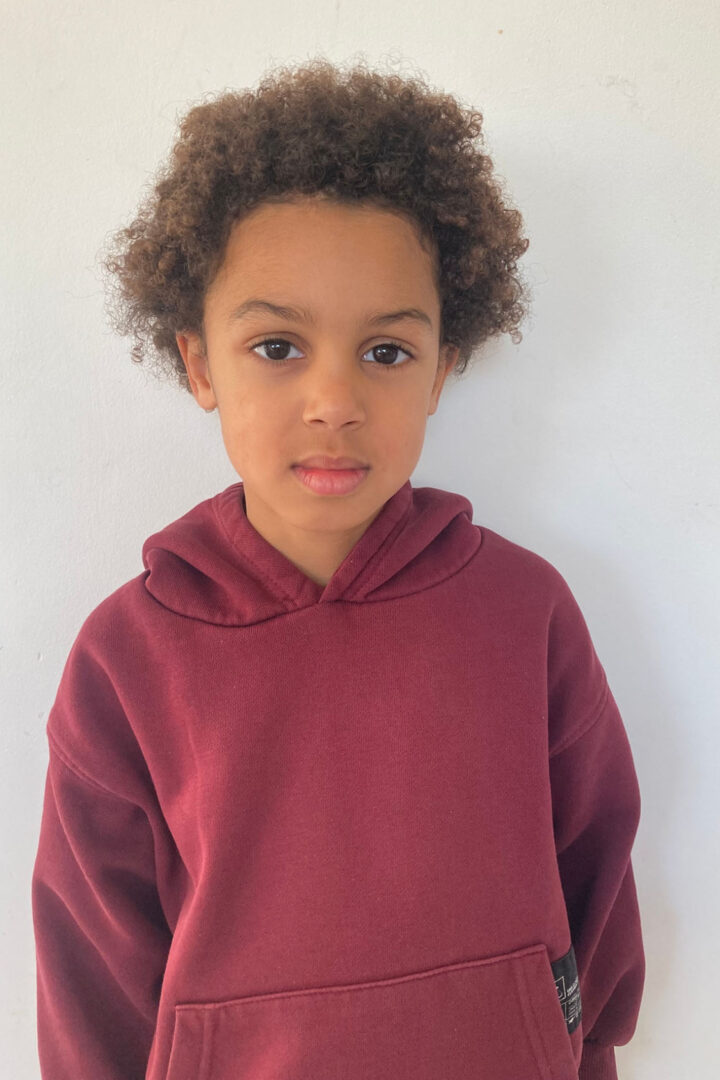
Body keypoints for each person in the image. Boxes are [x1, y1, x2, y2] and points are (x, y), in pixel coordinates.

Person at [31, 57, 645, 1080]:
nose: (333, 403)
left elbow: (595, 864)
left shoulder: (524, 609)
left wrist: (582, 1043)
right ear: (198, 363)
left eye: (386, 352)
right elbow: (91, 963)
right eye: (277, 347)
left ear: (444, 367)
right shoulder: (125, 658)